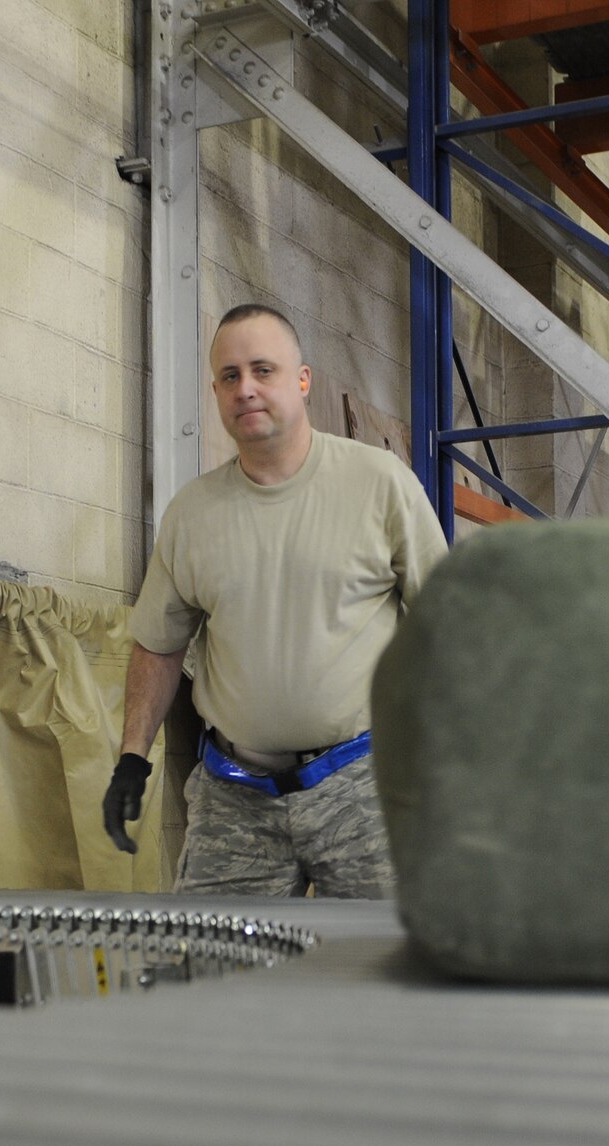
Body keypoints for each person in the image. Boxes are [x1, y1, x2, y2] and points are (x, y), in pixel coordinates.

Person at [104, 304, 448, 897]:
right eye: (230, 376)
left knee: (387, 973)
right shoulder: (193, 513)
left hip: (364, 788)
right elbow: (158, 646)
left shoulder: (380, 483)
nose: (247, 389)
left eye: (264, 370)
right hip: (234, 797)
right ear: (215, 390)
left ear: (303, 379)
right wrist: (132, 756)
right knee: (214, 975)